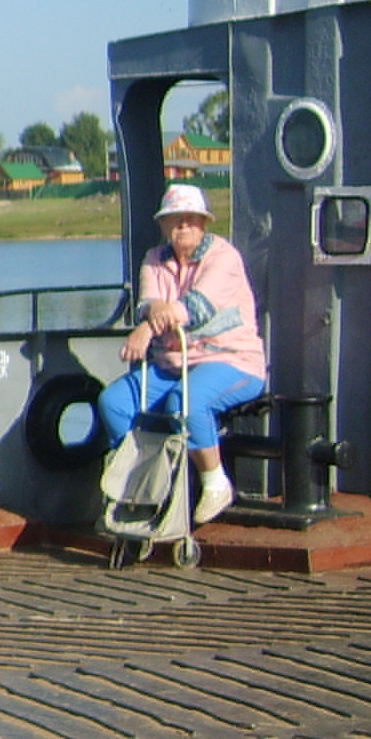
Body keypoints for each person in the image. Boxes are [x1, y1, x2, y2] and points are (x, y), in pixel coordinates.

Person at [98, 182, 267, 523]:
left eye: (191, 218)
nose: (183, 225)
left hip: (232, 360)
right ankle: (142, 481)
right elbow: (146, 302)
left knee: (185, 402)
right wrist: (152, 311)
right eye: (175, 219)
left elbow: (195, 308)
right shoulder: (154, 259)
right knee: (113, 403)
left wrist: (148, 327)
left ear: (204, 223)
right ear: (163, 225)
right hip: (174, 363)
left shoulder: (225, 257)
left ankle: (215, 484)